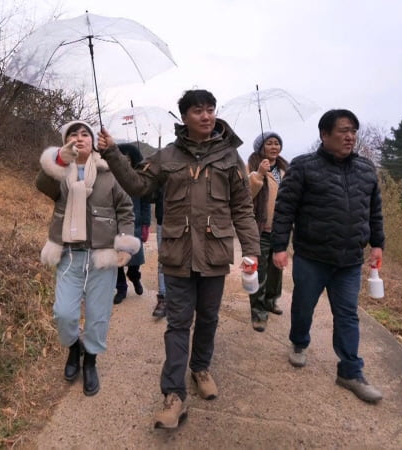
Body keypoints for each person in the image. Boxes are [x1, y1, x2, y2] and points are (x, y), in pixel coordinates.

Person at [97, 89, 260, 429]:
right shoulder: (167, 156)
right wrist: (112, 152)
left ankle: (200, 368)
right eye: (198, 110)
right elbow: (138, 186)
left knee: (210, 317)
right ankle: (173, 396)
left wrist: (251, 249)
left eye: (211, 109)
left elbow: (242, 208)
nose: (206, 116)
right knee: (178, 323)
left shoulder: (230, 157)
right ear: (184, 116)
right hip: (177, 252)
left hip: (214, 252)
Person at [271, 109, 385, 404]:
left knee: (347, 314)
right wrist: (279, 247)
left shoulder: (366, 169)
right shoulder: (303, 167)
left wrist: (377, 243)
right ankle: (299, 342)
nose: (350, 137)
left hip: (349, 260)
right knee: (303, 306)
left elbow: (374, 211)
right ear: (324, 135)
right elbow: (285, 210)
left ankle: (350, 371)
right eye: (344, 130)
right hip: (312, 256)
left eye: (354, 131)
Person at [35, 120, 141, 397]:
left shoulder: (110, 172)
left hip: (101, 254)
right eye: (74, 134)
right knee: (64, 312)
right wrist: (59, 161)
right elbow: (42, 185)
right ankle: (74, 349)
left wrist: (124, 244)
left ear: (94, 141)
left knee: (98, 315)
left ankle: (91, 359)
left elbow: (126, 210)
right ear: (66, 140)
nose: (80, 138)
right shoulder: (59, 172)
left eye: (85, 134)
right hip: (69, 253)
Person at [246, 131, 288, 332]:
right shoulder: (253, 166)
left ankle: (271, 301)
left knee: (276, 270)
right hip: (261, 228)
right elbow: (247, 194)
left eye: (277, 143)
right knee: (259, 271)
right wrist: (260, 174)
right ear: (261, 147)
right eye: (269, 143)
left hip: (281, 229)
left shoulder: (284, 169)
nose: (274, 147)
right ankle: (258, 311)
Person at [113, 143, 151, 304]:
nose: (124, 162)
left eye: (127, 158)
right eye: (121, 158)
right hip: (114, 224)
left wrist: (145, 224)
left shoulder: (140, 178)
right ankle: (121, 288)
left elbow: (146, 202)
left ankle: (134, 276)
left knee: (135, 259)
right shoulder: (111, 176)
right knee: (116, 260)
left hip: (135, 222)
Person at [151, 186, 167, 318]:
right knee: (163, 260)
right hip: (163, 220)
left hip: (185, 221)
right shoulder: (161, 166)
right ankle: (163, 298)